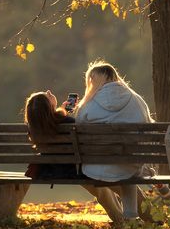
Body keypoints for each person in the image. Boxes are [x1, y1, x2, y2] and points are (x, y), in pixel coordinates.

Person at [23, 90, 123, 220]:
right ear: (49, 106)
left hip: (55, 170)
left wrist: (61, 110)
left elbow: (51, 120)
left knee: (103, 190)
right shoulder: (69, 123)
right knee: (116, 187)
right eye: (46, 95)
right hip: (79, 169)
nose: (49, 91)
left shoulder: (35, 128)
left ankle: (121, 220)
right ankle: (131, 219)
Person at [74, 61, 153, 219]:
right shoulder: (136, 100)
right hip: (130, 164)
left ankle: (130, 216)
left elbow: (78, 125)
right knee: (127, 168)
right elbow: (148, 127)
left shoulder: (88, 104)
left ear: (92, 81)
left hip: (95, 167)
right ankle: (131, 215)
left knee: (122, 167)